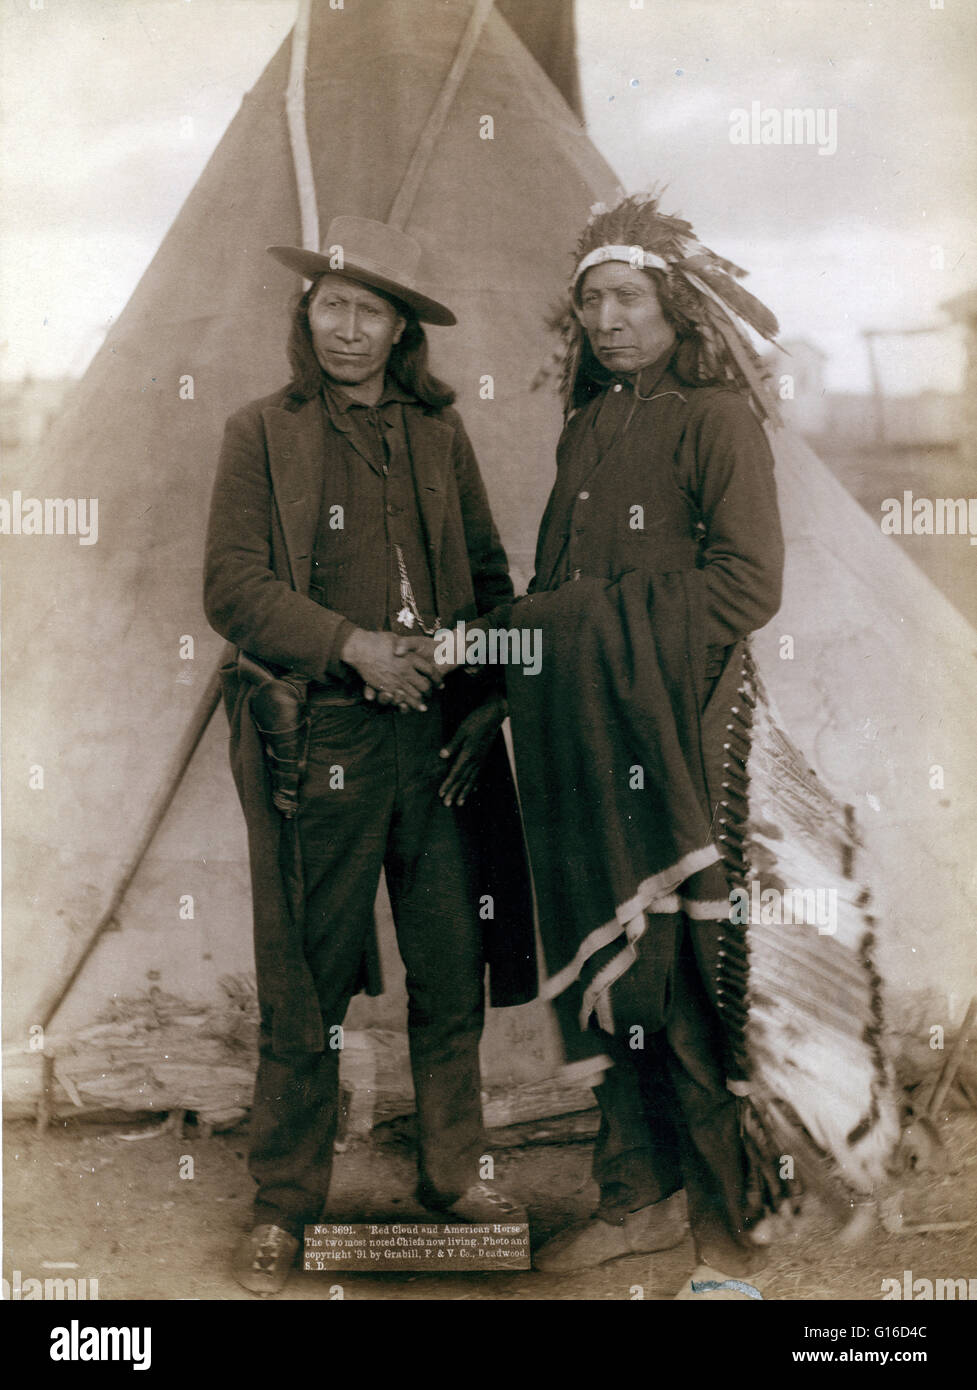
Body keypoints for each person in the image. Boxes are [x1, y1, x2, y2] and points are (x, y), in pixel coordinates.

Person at [204, 216, 535, 1296]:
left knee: (451, 971)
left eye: (372, 311)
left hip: (435, 749)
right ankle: (285, 1206)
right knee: (306, 983)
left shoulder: (438, 436)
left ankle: (450, 1175)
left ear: (400, 332)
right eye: (333, 305)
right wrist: (352, 647)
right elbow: (234, 588)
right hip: (326, 743)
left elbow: (488, 581)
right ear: (307, 315)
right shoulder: (262, 432)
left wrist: (483, 705)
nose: (348, 328)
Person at [506, 194, 785, 1294]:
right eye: (590, 302)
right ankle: (635, 1197)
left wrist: (582, 627)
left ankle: (724, 1240)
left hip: (675, 727)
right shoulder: (586, 424)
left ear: (673, 302)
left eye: (628, 297)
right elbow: (549, 585)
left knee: (679, 979)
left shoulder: (716, 418)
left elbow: (746, 585)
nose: (608, 319)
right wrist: (514, 674)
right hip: (578, 724)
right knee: (608, 973)